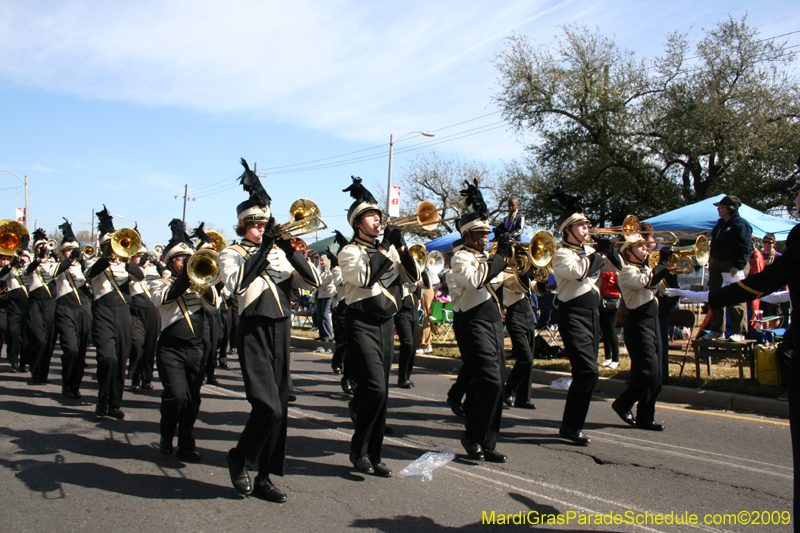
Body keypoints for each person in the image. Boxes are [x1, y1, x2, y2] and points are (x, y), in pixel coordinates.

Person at [666, 174, 800, 524]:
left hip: (738, 278)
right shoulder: (719, 227)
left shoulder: (745, 227)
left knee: (738, 305)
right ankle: (718, 324)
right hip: (726, 274)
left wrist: (708, 295)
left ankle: (735, 330)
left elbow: (762, 279)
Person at [219, 159, 319, 502]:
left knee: (281, 410)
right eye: (255, 225)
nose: (262, 229)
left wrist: (291, 251)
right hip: (253, 328)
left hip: (281, 328)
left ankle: (263, 476)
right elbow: (235, 284)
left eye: (265, 224)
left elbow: (311, 283)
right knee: (267, 407)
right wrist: (263, 250)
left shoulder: (278, 252)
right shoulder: (230, 253)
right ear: (243, 225)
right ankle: (237, 458)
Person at [337, 176, 420, 477]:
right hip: (360, 323)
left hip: (386, 324)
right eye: (372, 216)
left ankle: (374, 453)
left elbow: (412, 278)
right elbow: (363, 279)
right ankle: (358, 450)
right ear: (358, 223)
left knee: (381, 392)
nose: (378, 219)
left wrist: (402, 245)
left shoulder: (391, 250)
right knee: (374, 388)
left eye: (379, 216)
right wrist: (385, 246)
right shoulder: (349, 252)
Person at [551, 192, 620, 445]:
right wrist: (597, 255)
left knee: (588, 374)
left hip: (593, 315)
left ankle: (571, 426)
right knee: (587, 371)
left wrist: (609, 249)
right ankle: (570, 426)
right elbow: (580, 273)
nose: (587, 228)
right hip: (573, 316)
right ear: (569, 230)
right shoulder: (561, 255)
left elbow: (617, 268)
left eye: (587, 224)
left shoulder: (590, 250)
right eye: (582, 225)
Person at [449, 179, 510, 462]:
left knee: (497, 383)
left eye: (487, 232)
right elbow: (475, 281)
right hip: (471, 323)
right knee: (491, 383)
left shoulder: (484, 257)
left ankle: (488, 440)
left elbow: (504, 279)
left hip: (492, 321)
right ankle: (471, 435)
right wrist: (500, 257)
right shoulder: (460, 258)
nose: (486, 237)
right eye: (480, 233)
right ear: (468, 235)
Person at [151, 221, 219, 462]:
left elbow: (214, 305)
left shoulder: (199, 284)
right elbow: (163, 299)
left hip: (196, 347)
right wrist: (186, 279)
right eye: (180, 259)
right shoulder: (160, 283)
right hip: (171, 348)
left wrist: (204, 283)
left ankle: (186, 444)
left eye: (188, 258)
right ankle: (166, 436)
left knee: (192, 399)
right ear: (170, 263)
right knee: (176, 396)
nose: (185, 262)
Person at [85, 206, 141, 419]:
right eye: (109, 246)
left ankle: (114, 404)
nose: (113, 249)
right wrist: (105, 259)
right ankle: (102, 399)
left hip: (123, 312)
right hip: (103, 313)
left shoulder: (125, 264)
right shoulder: (95, 263)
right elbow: (89, 275)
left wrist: (127, 260)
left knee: (120, 360)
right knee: (107, 358)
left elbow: (141, 277)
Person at [612, 237, 673, 431]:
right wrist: (662, 262)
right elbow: (647, 283)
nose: (645, 248)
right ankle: (623, 403)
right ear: (629, 251)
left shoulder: (646, 268)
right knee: (648, 371)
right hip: (638, 323)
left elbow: (662, 286)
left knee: (657, 377)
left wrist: (668, 265)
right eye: (640, 246)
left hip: (653, 321)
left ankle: (646, 417)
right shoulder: (626, 271)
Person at [51, 219, 92, 399]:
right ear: (62, 252)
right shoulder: (58, 265)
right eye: (68, 250)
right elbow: (55, 273)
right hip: (65, 309)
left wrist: (82, 261)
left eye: (74, 250)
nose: (72, 252)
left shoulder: (85, 267)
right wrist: (70, 259)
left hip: (83, 309)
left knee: (81, 351)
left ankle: (75, 385)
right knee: (71, 349)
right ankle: (66, 382)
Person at [704, 195, 754, 342]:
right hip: (717, 263)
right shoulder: (719, 225)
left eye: (721, 207)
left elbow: (746, 247)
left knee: (736, 297)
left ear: (730, 208)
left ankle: (739, 331)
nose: (718, 209)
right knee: (716, 297)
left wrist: (738, 265)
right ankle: (717, 330)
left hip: (733, 264)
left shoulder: (741, 224)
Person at [502, 266, 541, 410]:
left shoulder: (518, 269)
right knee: (525, 357)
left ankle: (523, 398)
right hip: (515, 314)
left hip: (528, 314)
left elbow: (538, 290)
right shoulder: (505, 270)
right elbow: (519, 287)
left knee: (530, 360)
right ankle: (508, 391)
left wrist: (541, 273)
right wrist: (525, 272)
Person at [23, 229, 57, 384]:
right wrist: (38, 260)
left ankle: (43, 372)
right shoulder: (30, 262)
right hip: (35, 303)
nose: (43, 249)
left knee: (49, 342)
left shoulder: (54, 263)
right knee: (39, 339)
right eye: (39, 247)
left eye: (45, 246)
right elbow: (26, 272)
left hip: (51, 304)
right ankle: (34, 368)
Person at [127, 243, 162, 392]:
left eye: (143, 256)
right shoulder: (128, 269)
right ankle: (135, 376)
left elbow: (166, 272)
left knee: (150, 345)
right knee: (137, 343)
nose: (141, 259)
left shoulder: (154, 269)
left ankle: (146, 378)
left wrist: (156, 262)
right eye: (137, 256)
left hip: (152, 309)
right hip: (135, 308)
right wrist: (137, 264)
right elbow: (136, 273)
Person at [0, 247, 29, 373]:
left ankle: (23, 362)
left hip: (28, 304)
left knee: (26, 335)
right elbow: (2, 275)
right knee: (13, 334)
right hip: (13, 305)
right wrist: (12, 264)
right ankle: (13, 360)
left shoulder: (30, 269)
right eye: (3, 259)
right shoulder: (9, 270)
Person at [598, 270, 621, 369]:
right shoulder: (601, 267)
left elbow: (620, 284)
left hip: (613, 299)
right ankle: (608, 356)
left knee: (611, 330)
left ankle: (615, 359)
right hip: (602, 299)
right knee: (604, 330)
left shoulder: (616, 269)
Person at [315, 255, 335, 342]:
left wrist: (320, 283)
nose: (322, 263)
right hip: (320, 295)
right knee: (319, 315)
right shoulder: (321, 272)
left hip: (326, 295)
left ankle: (328, 335)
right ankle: (322, 335)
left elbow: (329, 281)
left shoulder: (330, 272)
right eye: (321, 261)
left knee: (325, 315)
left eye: (323, 261)